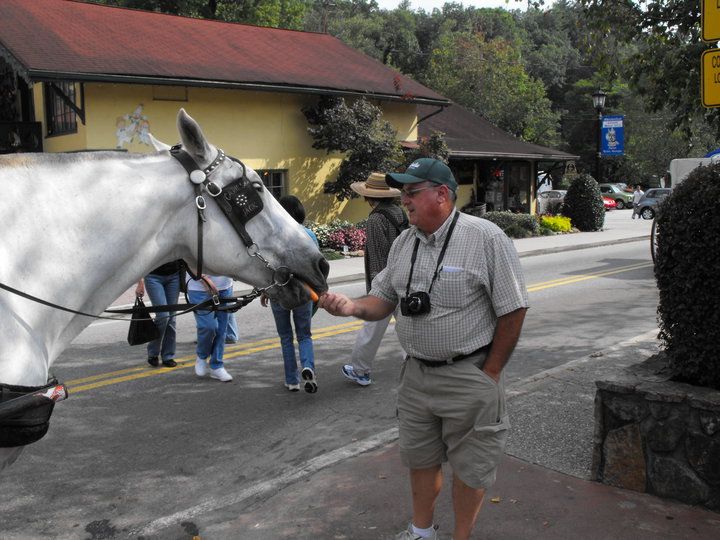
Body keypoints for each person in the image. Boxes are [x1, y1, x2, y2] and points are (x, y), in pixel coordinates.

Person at [319, 158, 529, 540]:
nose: (406, 201)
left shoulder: (486, 238)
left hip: (470, 373)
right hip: (416, 376)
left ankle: (460, 536)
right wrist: (350, 307)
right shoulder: (403, 243)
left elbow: (513, 308)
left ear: (442, 195)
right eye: (403, 194)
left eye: (413, 192)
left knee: (471, 468)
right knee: (420, 459)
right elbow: (382, 297)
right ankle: (421, 532)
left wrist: (491, 372)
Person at [342, 172, 407, 386]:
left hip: (386, 282)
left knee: (372, 328)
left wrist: (375, 291)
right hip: (405, 276)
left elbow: (378, 255)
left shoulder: (376, 219)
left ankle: (360, 370)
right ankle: (418, 366)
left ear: (370, 197)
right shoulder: (400, 213)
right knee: (409, 326)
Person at [261, 195, 319, 393]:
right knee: (304, 335)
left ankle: (292, 380)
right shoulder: (309, 235)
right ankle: (308, 367)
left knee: (286, 337)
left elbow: (268, 268)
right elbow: (316, 268)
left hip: (279, 292)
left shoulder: (272, 238)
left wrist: (266, 291)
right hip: (303, 292)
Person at [134, 260, 184, 368]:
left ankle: (168, 356)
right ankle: (153, 353)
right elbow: (141, 257)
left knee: (171, 318)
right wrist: (140, 282)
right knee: (163, 316)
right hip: (153, 277)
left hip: (174, 276)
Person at [188, 274, 234, 382]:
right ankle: (202, 356)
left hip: (225, 287)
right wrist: (205, 280)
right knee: (208, 327)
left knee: (221, 330)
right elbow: (189, 261)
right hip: (198, 288)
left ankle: (216, 366)